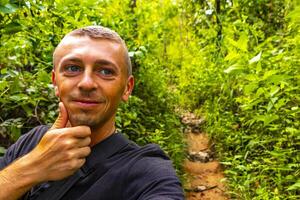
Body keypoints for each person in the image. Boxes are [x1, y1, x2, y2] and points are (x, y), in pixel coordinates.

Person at [0, 26, 184, 200]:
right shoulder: (31, 142)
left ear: (127, 88)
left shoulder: (146, 171)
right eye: (73, 68)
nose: (86, 83)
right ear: (55, 82)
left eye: (105, 71)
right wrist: (34, 166)